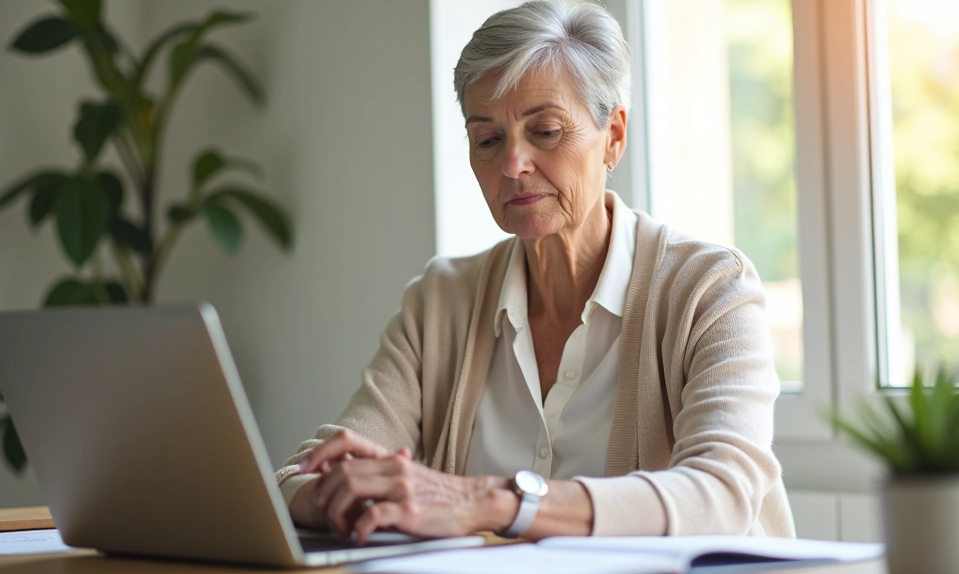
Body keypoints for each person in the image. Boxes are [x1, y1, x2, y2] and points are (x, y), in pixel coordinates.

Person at [275, 0, 794, 543]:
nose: (512, 165)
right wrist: (343, 491)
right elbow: (298, 478)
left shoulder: (712, 288)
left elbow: (723, 495)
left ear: (613, 134)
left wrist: (487, 501)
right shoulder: (440, 301)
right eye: (488, 140)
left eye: (545, 131)